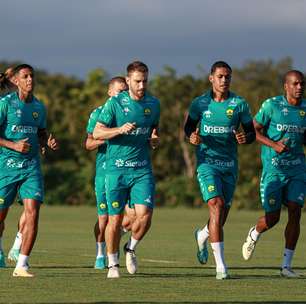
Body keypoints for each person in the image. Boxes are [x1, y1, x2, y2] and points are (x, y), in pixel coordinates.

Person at [184, 61, 255, 279]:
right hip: (207, 163)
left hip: (229, 166)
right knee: (216, 204)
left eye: (228, 77)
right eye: (220, 76)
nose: (224, 80)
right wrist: (192, 136)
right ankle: (221, 266)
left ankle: (203, 234)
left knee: (221, 216)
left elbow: (251, 133)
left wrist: (245, 138)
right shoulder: (200, 103)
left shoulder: (239, 104)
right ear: (211, 78)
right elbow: (188, 127)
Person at [93, 61, 160, 278]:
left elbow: (153, 128)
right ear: (128, 80)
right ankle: (112, 265)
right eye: (138, 81)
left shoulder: (154, 104)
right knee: (114, 219)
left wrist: (153, 139)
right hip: (116, 171)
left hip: (141, 170)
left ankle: (130, 248)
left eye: (145, 81)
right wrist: (119, 129)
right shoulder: (114, 103)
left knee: (145, 215)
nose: (142, 86)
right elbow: (97, 133)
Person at [242, 70, 306, 278]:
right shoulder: (272, 105)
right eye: (295, 84)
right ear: (285, 86)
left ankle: (286, 266)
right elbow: (253, 130)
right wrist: (274, 145)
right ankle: (255, 233)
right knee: (273, 218)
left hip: (297, 169)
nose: (299, 87)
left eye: (302, 84)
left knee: (296, 210)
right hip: (274, 170)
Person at [0, 64, 58, 277]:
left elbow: (40, 132)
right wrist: (13, 145)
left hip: (31, 167)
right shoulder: (5, 104)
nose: (30, 79)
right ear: (16, 81)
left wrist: (47, 141)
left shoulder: (39, 107)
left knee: (33, 212)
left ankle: (22, 265)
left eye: (32, 75)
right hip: (6, 167)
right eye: (25, 76)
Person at [85, 76, 134, 270]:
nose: (122, 94)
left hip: (129, 170)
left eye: (125, 91)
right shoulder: (98, 113)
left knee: (135, 215)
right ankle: (100, 253)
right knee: (104, 218)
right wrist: (111, 136)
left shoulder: (132, 112)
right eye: (119, 91)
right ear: (110, 92)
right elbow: (88, 143)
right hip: (105, 172)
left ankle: (116, 237)